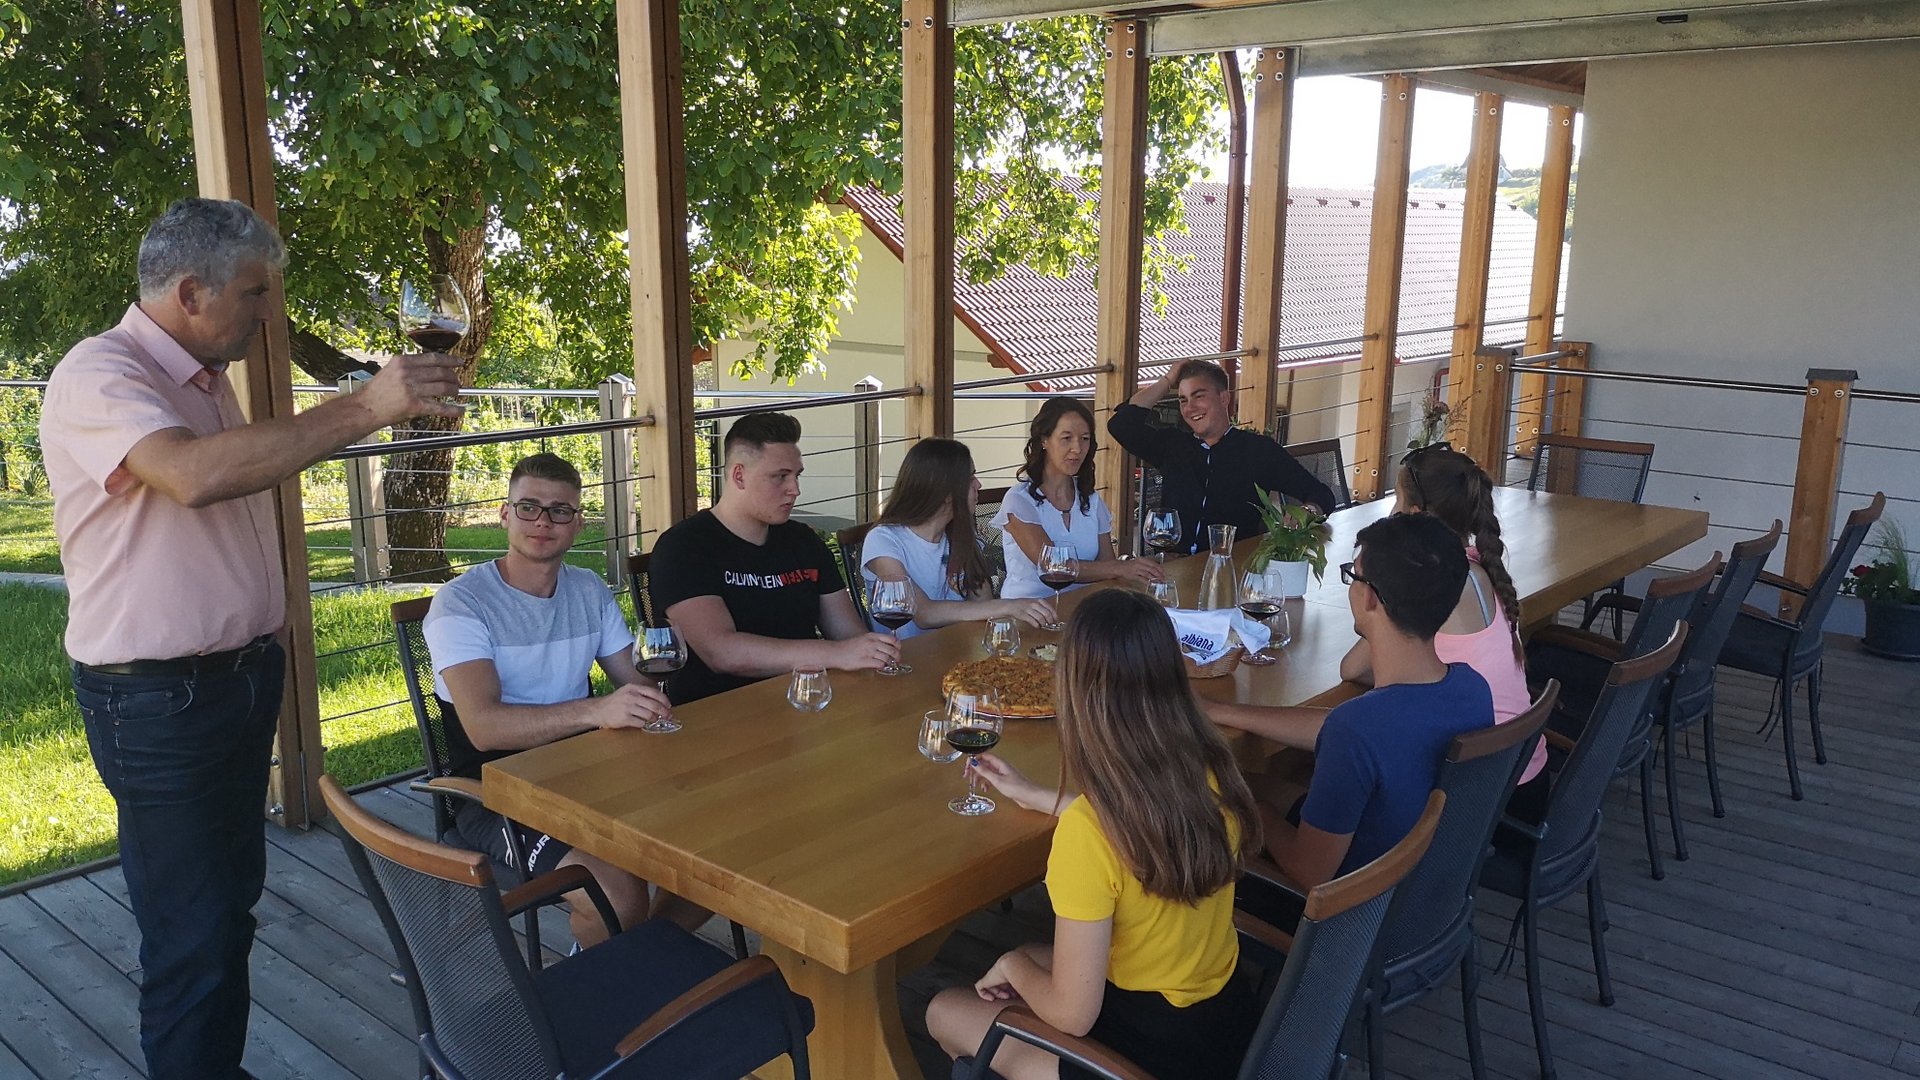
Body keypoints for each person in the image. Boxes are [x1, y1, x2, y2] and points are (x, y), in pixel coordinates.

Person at [39, 197, 462, 1079]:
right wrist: (364, 408)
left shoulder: (202, 377)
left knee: (228, 907)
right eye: (256, 294)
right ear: (191, 291)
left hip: (230, 683)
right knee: (192, 932)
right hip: (158, 699)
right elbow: (190, 478)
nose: (268, 313)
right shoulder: (99, 373)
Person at [926, 590, 1264, 1080]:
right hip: (1220, 1031)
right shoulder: (1210, 771)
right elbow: (1140, 821)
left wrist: (1011, 964)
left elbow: (1072, 1015)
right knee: (1034, 957)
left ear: (1073, 694)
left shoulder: (1088, 836)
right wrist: (1035, 795)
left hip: (1136, 1062)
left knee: (943, 1009)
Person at [425, 452, 690, 947]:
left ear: (577, 523)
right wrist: (596, 710)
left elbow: (637, 680)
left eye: (560, 511)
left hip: (585, 773)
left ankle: (638, 956)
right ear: (505, 514)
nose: (543, 522)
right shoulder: (461, 602)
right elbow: (484, 727)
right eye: (528, 507)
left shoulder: (587, 589)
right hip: (494, 792)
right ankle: (597, 988)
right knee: (617, 895)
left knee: (714, 838)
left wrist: (660, 675)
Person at [1209, 444, 1548, 791]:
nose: (1390, 512)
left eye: (1396, 501)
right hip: (1517, 774)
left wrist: (1225, 712)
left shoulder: (1427, 581)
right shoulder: (1476, 566)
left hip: (1476, 795)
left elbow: (1351, 675)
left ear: (1414, 515)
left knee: (1280, 780)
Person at [1254, 513, 1494, 890]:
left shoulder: (1356, 730)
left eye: (1353, 574)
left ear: (1369, 596)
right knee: (1255, 783)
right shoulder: (1472, 689)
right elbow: (1357, 730)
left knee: (1227, 799)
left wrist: (1257, 815)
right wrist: (1223, 711)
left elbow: (1308, 872)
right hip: (1422, 898)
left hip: (1346, 928)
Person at [648, 411, 899, 703]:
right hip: (718, 718)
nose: (795, 490)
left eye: (796, 475)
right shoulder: (684, 547)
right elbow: (722, 653)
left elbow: (848, 634)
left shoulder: (803, 540)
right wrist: (835, 654)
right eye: (780, 477)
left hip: (808, 703)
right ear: (739, 475)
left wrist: (867, 651)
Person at [1108, 358, 1336, 554]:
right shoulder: (1172, 445)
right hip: (1173, 567)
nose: (1190, 408)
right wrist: (1168, 380)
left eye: (1199, 396)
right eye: (1183, 400)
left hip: (1232, 567)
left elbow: (1321, 494)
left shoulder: (1258, 451)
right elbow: (1121, 424)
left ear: (1224, 398)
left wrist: (1307, 512)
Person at [858, 438, 1055, 638]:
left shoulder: (959, 536)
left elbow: (983, 605)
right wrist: (1008, 606)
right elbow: (922, 613)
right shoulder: (883, 539)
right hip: (904, 660)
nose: (978, 485)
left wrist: (1004, 609)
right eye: (970, 478)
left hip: (956, 655)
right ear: (945, 491)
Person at [995, 397, 1163, 600]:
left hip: (1081, 609)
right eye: (1067, 438)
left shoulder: (1091, 499)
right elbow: (1052, 568)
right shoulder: (1019, 501)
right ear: (1044, 440)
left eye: (1085, 438)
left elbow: (1106, 566)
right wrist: (1121, 567)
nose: (1077, 448)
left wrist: (1129, 572)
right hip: (1025, 613)